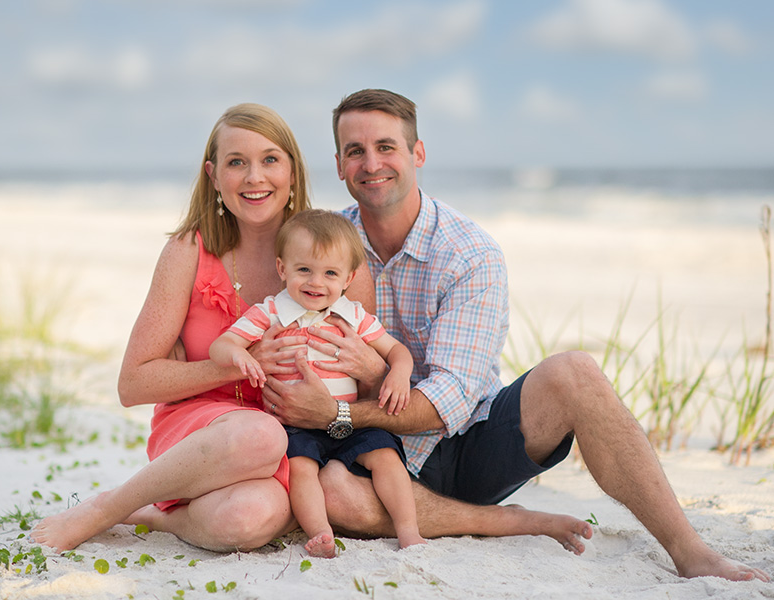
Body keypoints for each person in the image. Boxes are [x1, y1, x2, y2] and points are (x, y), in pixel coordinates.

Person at [261, 88, 771, 582]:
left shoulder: (469, 254)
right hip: (373, 454)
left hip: (467, 442)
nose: (371, 164)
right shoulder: (322, 246)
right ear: (338, 164)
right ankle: (503, 523)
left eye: (386, 147)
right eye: (356, 151)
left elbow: (448, 403)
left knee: (576, 372)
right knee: (334, 494)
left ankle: (689, 549)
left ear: (417, 152)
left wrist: (338, 411)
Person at [31, 103, 342, 552]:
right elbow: (133, 384)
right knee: (257, 435)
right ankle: (108, 507)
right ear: (214, 176)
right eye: (237, 162)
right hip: (201, 431)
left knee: (246, 521)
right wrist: (235, 368)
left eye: (270, 159)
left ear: (293, 170)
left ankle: (159, 517)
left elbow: (363, 362)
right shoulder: (188, 252)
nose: (255, 176)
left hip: (288, 444)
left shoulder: (326, 259)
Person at [210, 209, 425, 558]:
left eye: (330, 273)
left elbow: (396, 350)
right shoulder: (271, 312)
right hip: (296, 425)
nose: (316, 282)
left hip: (349, 419)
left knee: (386, 456)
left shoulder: (352, 314)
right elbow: (221, 345)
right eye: (304, 270)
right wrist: (241, 356)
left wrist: (400, 373)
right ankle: (320, 533)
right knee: (301, 470)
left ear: (348, 278)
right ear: (283, 269)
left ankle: (408, 531)